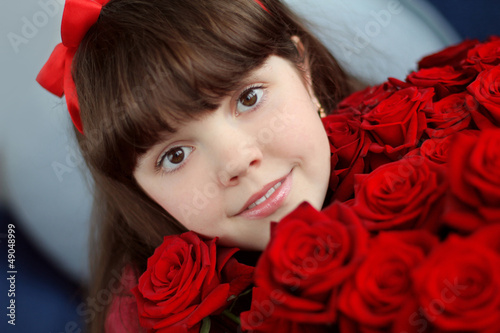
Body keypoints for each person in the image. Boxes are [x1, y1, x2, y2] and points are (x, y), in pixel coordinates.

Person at [37, 0, 361, 331]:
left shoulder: (413, 136)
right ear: (141, 191)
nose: (235, 162)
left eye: (249, 98)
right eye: (175, 155)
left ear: (303, 72)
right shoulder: (136, 322)